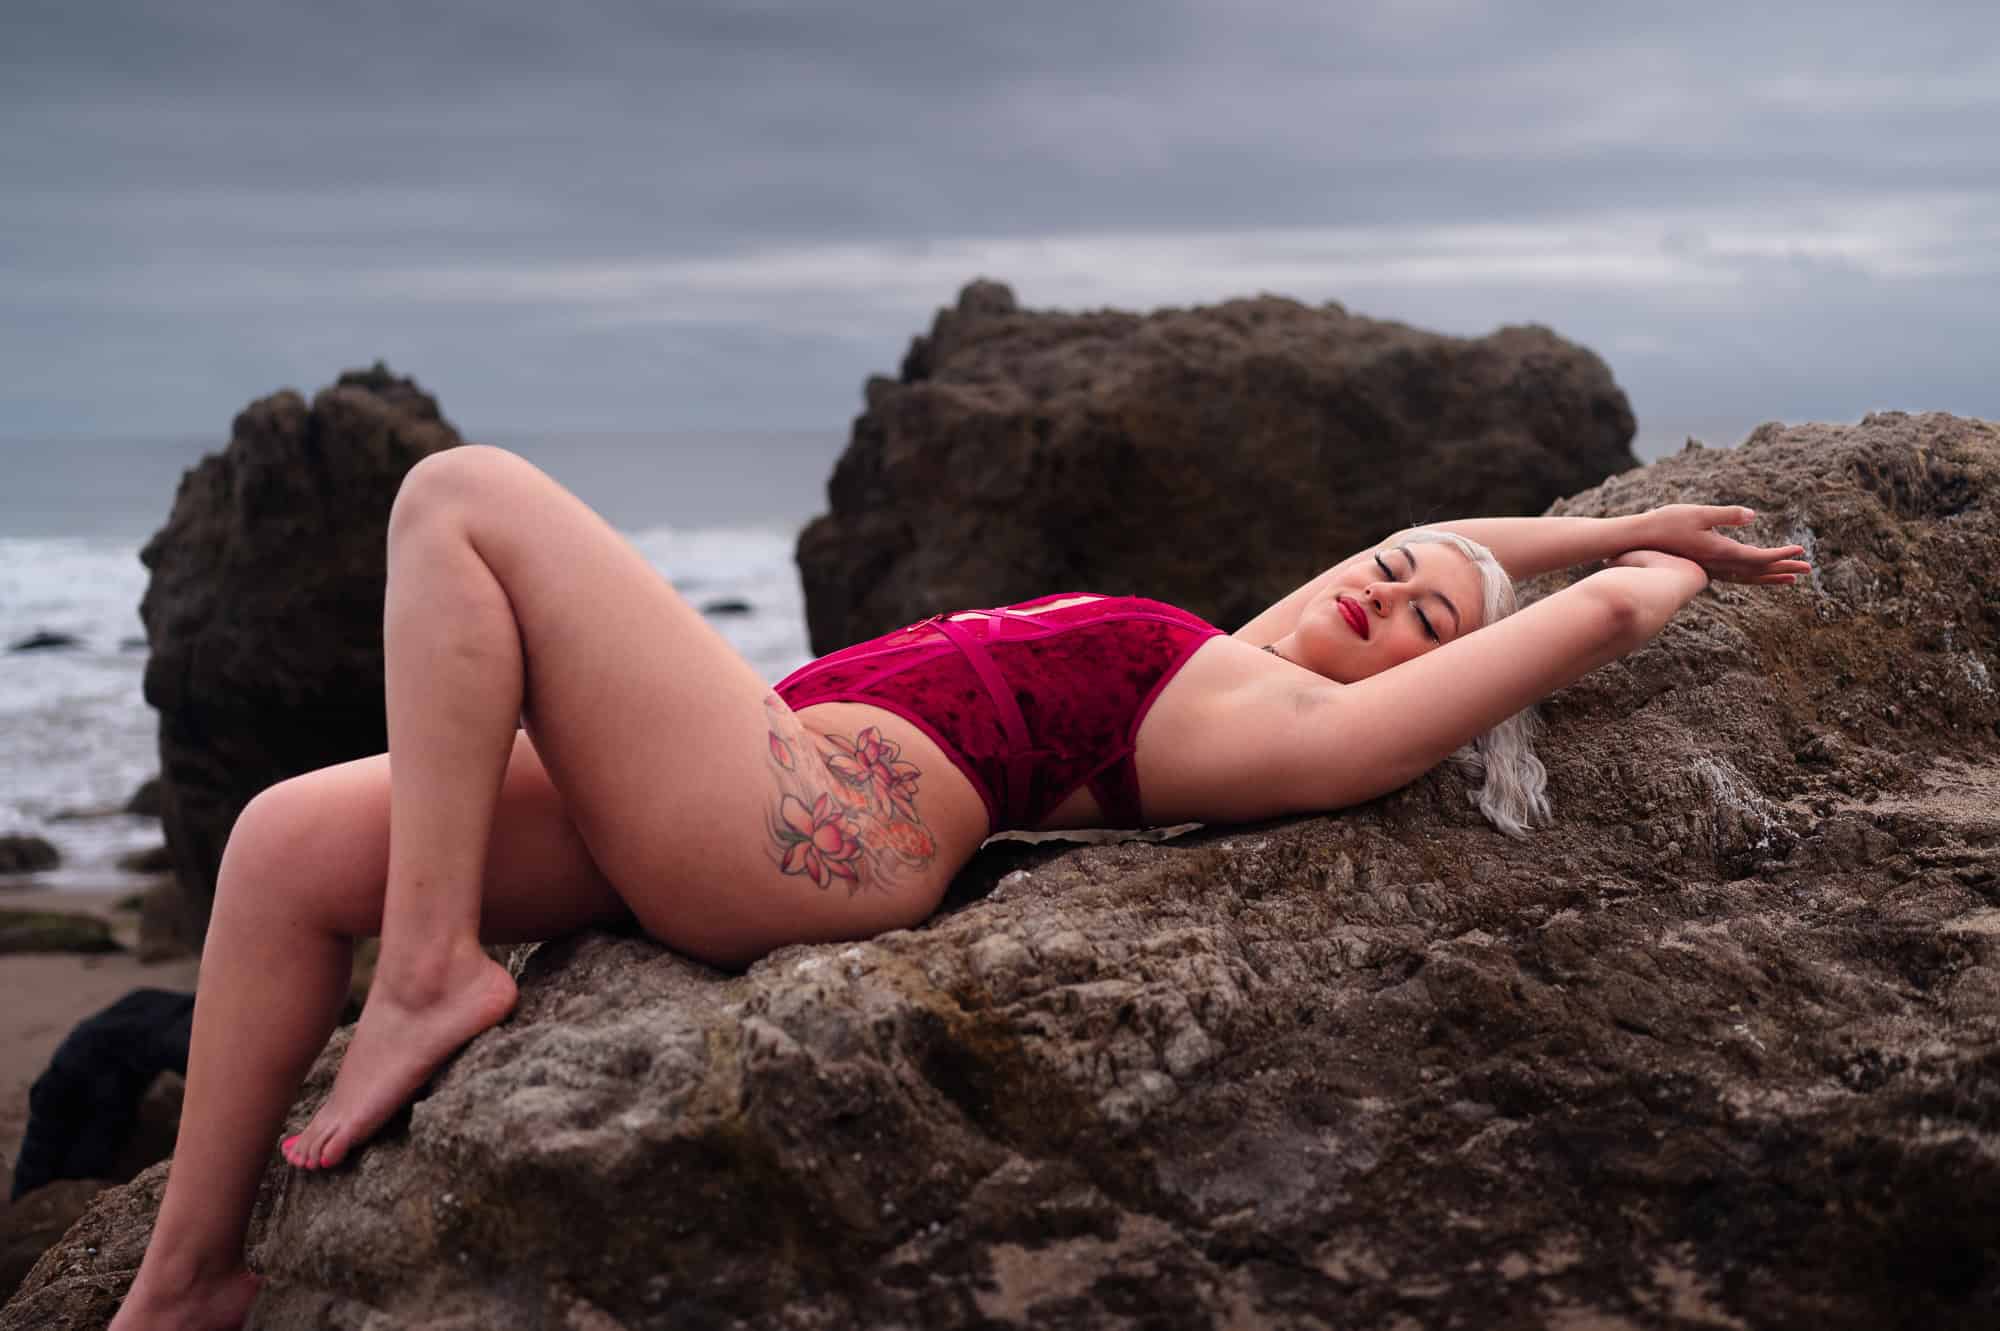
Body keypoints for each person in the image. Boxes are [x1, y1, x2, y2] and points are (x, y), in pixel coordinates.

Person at [106, 445, 1807, 1330]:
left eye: (1422, 625)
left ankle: (431, 973)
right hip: (740, 774)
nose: (1379, 601)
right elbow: (1463, 545)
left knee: (461, 498)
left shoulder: (1275, 722)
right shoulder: (1240, 642)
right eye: (1381, 574)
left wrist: (1637, 585)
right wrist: (1578, 528)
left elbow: (1530, 641)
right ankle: (187, 1284)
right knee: (280, 846)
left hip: (796, 828)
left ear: (1419, 687)